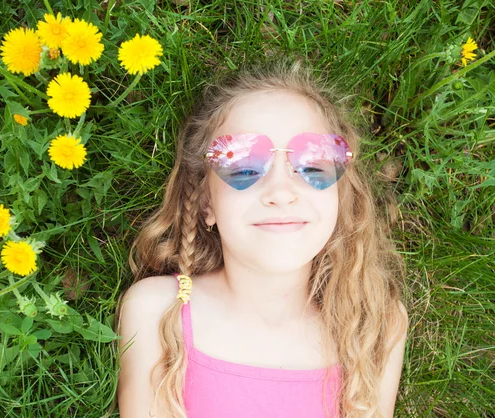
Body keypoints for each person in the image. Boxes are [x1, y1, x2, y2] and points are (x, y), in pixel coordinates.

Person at [112, 57, 409, 418]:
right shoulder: (160, 311)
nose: (281, 192)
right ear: (206, 202)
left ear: (340, 196)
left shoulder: (375, 323)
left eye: (312, 166)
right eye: (245, 168)